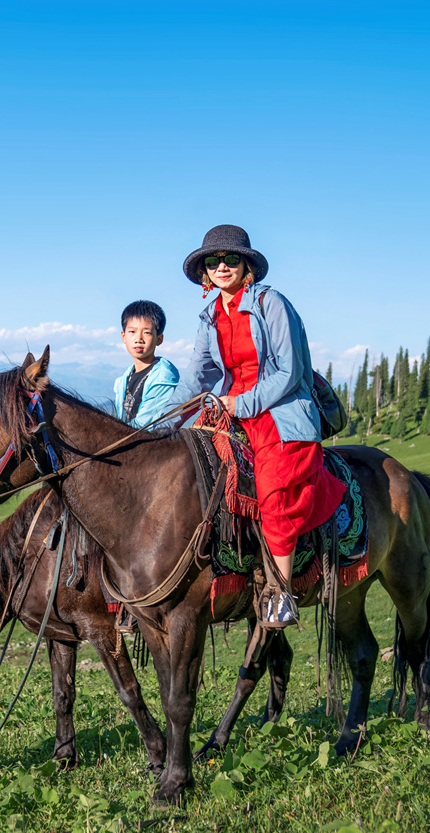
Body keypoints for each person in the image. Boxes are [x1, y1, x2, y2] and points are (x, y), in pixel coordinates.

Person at [184, 225, 345, 628]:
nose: (222, 266)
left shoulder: (272, 304)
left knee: (274, 490)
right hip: (231, 410)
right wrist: (154, 424)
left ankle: (280, 591)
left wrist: (241, 402)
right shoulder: (210, 317)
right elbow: (196, 379)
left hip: (281, 412)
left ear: (248, 266)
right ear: (204, 271)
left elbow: (289, 372)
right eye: (213, 261)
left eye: (231, 259)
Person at [111, 300, 182, 428]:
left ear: (159, 339)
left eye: (147, 332)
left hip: (150, 444)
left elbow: (146, 425)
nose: (139, 339)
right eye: (132, 332)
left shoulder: (163, 377)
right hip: (126, 440)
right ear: (123, 336)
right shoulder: (124, 378)